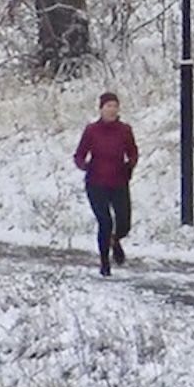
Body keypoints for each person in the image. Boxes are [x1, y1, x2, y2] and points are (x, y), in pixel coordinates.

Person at [74, 92, 138, 277]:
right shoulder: (92, 130)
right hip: (96, 182)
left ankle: (115, 240)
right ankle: (104, 263)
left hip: (118, 180)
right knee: (105, 221)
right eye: (108, 106)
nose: (111, 110)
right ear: (101, 109)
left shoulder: (125, 130)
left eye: (114, 106)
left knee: (124, 223)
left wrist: (130, 165)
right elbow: (79, 155)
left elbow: (133, 152)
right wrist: (85, 166)